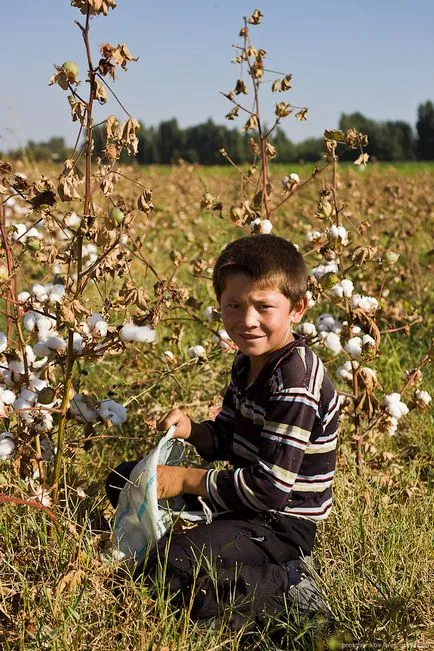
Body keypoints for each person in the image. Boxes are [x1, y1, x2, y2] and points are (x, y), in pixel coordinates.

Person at [106, 234, 339, 631]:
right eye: (234, 306)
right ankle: (212, 545)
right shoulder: (248, 361)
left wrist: (184, 480)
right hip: (241, 505)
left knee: (167, 570)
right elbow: (229, 439)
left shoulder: (295, 383)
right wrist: (193, 431)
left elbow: (269, 489)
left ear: (297, 308)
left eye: (264, 307)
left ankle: (287, 583)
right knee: (122, 480)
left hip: (279, 525)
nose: (247, 320)